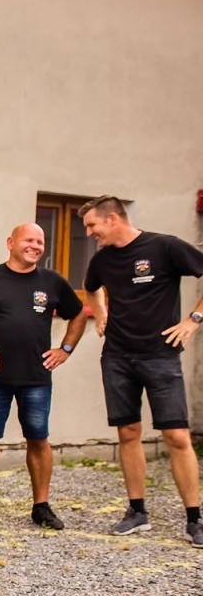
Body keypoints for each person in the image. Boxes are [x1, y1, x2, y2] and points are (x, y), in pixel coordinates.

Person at [81, 195, 203, 544]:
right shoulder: (103, 260)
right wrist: (101, 315)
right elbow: (90, 290)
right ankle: (137, 512)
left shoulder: (165, 247)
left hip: (161, 356)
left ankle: (194, 519)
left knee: (177, 436)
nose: (89, 233)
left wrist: (193, 321)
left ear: (114, 218)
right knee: (128, 433)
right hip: (117, 357)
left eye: (92, 225)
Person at [0, 224, 88, 529]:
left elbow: (79, 314)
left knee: (38, 439)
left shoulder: (52, 281)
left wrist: (65, 349)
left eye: (40, 241)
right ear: (10, 243)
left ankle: (41, 506)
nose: (35, 246)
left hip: (36, 377)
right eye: (29, 240)